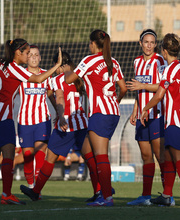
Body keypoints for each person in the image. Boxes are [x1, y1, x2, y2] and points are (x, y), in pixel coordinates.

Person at [0, 38, 62, 205]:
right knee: (9, 154)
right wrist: (57, 66)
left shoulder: (0, 64)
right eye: (26, 53)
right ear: (18, 53)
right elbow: (39, 79)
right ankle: (6, 195)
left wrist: (1, 93)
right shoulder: (15, 69)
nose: (28, 56)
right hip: (2, 116)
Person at [65, 30, 127, 206]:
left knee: (100, 156)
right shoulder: (113, 62)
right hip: (113, 112)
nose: (88, 46)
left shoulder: (88, 60)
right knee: (89, 150)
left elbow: (70, 79)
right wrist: (115, 101)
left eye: (89, 43)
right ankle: (104, 189)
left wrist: (64, 68)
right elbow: (122, 88)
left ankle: (106, 197)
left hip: (99, 113)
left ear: (93, 43)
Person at [140, 33, 180, 207]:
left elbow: (159, 95)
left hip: (175, 120)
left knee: (178, 159)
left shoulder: (168, 69)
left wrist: (145, 108)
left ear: (164, 51)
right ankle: (166, 195)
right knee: (167, 157)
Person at [20, 51, 88, 201]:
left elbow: (59, 97)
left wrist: (61, 116)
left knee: (49, 158)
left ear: (58, 66)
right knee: (90, 157)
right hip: (82, 122)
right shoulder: (79, 78)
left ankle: (36, 191)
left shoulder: (58, 79)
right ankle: (101, 190)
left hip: (67, 125)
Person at [126, 29, 170, 206]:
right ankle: (145, 196)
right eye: (146, 42)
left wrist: (142, 85)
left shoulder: (160, 60)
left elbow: (162, 87)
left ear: (156, 44)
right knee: (146, 156)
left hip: (156, 114)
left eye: (152, 42)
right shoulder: (136, 61)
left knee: (161, 157)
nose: (149, 45)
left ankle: (168, 195)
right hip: (142, 115)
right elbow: (139, 90)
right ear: (140, 43)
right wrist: (135, 110)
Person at [17, 45, 55, 189]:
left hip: (42, 120)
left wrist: (59, 112)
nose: (33, 57)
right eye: (30, 54)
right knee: (27, 155)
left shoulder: (47, 74)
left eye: (36, 54)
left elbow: (51, 95)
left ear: (40, 57)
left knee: (40, 153)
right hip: (25, 120)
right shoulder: (20, 74)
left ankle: (36, 190)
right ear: (26, 58)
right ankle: (31, 184)